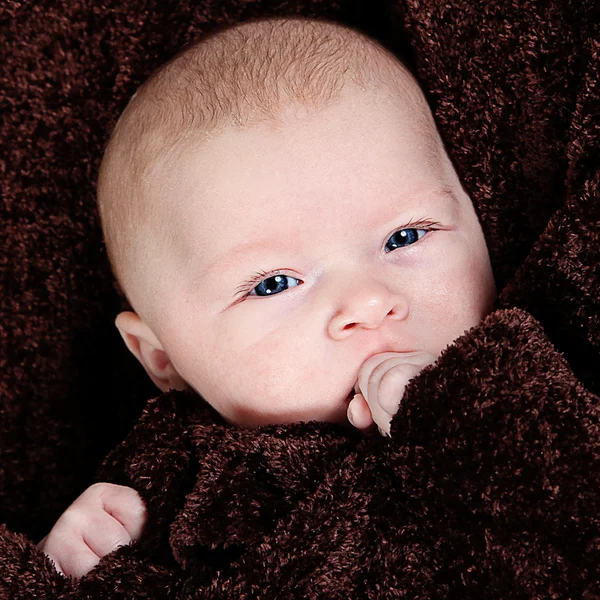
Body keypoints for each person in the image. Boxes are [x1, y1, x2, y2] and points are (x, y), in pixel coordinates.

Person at [39, 16, 496, 578]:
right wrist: (67, 575)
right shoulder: (162, 493)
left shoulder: (544, 371)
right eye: (274, 283)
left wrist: (466, 426)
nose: (368, 302)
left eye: (405, 236)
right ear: (161, 356)